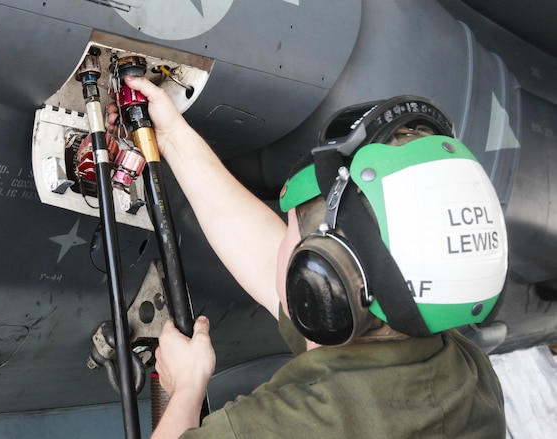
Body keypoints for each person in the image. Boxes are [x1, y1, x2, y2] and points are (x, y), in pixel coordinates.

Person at [108, 75, 508, 438]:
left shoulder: (290, 426)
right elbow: (266, 261)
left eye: (292, 233)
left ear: (320, 285)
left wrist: (186, 389)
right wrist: (171, 136)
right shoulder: (469, 377)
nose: (281, 241)